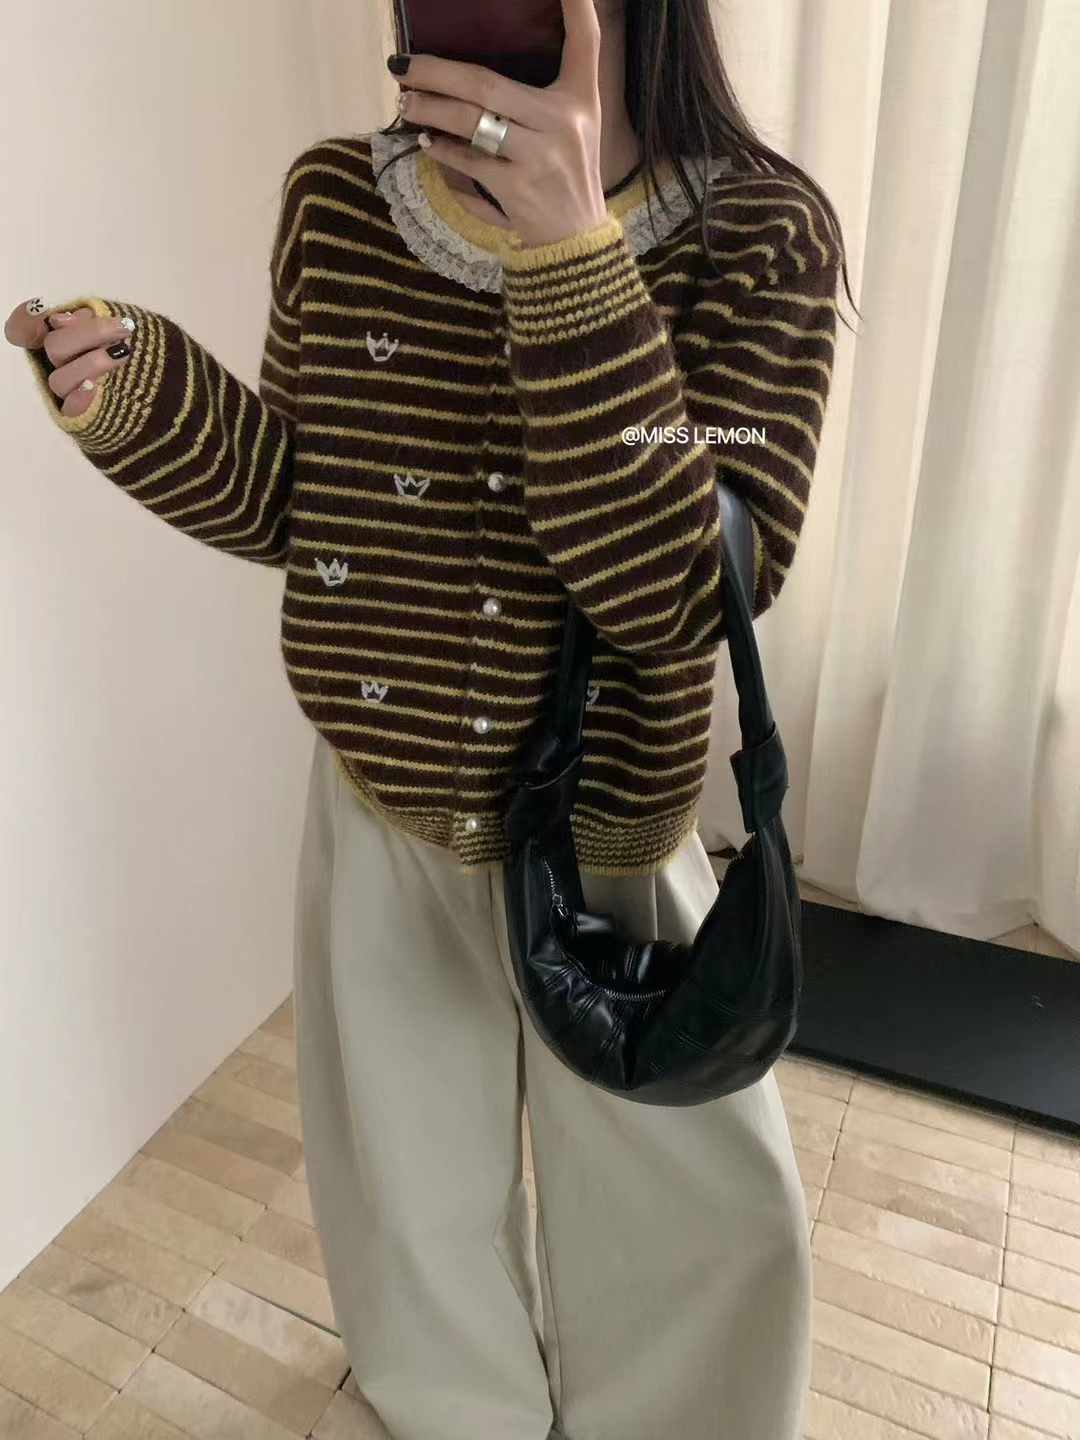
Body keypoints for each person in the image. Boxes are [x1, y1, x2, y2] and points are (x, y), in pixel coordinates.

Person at [8, 1, 852, 1436]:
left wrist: (573, 258)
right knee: (411, 1217)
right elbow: (305, 505)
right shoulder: (339, 202)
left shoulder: (760, 236)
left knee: (694, 1216)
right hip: (380, 817)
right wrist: (144, 396)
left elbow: (679, 593)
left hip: (612, 833)